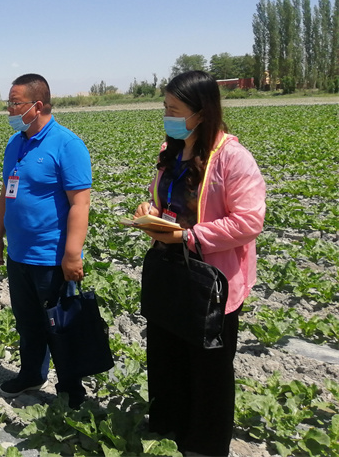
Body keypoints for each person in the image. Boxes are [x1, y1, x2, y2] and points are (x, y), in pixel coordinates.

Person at [132, 70, 265, 456]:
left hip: (210, 282)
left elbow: (248, 221)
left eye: (174, 110)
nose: (167, 116)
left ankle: (205, 445)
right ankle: (169, 429)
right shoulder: (172, 151)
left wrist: (189, 236)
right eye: (165, 108)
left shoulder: (233, 159)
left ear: (201, 112)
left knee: (209, 369)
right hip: (170, 271)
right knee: (166, 357)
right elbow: (167, 202)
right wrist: (150, 212)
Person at [0, 73, 92, 408]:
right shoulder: (15, 143)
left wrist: (73, 254)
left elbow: (80, 204)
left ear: (36, 105)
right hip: (19, 254)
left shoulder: (67, 145)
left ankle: (72, 392)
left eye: (15, 103)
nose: (9, 110)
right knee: (28, 324)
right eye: (9, 103)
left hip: (51, 257)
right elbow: (6, 193)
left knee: (60, 327)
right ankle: (31, 375)